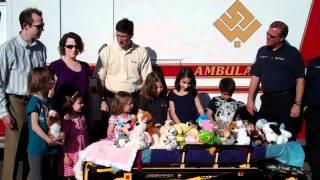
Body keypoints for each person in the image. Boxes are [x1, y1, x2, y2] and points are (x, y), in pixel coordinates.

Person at [0, 8, 46, 180]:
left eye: (42, 25)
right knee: (14, 152)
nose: (42, 29)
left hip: (36, 102)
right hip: (16, 104)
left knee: (32, 150)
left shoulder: (41, 49)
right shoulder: (8, 49)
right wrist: (4, 112)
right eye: (39, 26)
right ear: (25, 26)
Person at [247, 21, 305, 139]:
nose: (268, 38)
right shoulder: (262, 51)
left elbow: (300, 79)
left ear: (282, 38)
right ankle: (267, 157)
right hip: (268, 99)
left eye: (272, 36)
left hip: (286, 101)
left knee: (284, 135)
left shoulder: (292, 53)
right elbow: (255, 77)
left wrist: (297, 104)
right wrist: (250, 100)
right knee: (263, 131)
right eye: (267, 34)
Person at [92, 18, 152, 115]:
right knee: (111, 130)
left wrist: (141, 101)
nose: (119, 39)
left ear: (131, 35)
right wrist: (102, 100)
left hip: (133, 101)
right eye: (117, 35)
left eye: (123, 36)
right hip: (111, 100)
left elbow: (147, 79)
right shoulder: (106, 51)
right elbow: (100, 80)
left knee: (132, 129)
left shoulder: (141, 52)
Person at [26, 67, 62, 180]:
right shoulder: (34, 101)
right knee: (37, 177)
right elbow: (35, 126)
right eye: (50, 80)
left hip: (49, 147)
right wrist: (48, 139)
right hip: (37, 148)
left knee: (48, 176)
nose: (53, 82)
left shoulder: (48, 101)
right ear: (40, 83)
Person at [49, 32, 90, 114]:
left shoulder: (85, 66)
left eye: (76, 46)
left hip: (82, 112)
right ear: (63, 47)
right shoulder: (56, 66)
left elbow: (88, 92)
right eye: (70, 46)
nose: (74, 49)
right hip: (62, 112)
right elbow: (51, 92)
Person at [58, 89, 89, 179]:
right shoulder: (66, 121)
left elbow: (85, 135)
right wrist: (65, 156)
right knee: (70, 176)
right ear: (71, 105)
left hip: (81, 154)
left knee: (81, 175)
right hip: (71, 155)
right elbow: (62, 140)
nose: (82, 104)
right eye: (80, 103)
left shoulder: (82, 118)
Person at [304, 57, 320, 180]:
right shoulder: (314, 63)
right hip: (314, 111)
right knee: (314, 146)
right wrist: (305, 107)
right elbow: (305, 85)